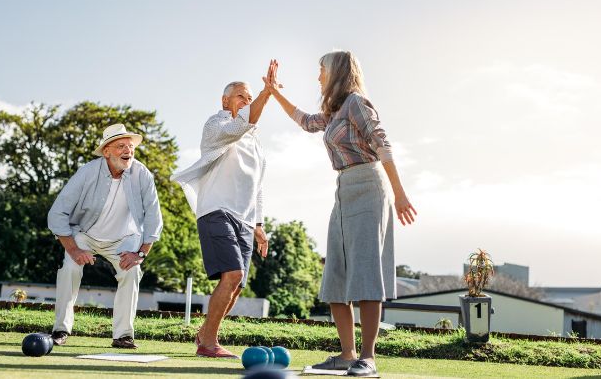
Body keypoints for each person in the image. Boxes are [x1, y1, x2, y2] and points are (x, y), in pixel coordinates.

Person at [264, 52, 417, 377]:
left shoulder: (357, 103)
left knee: (365, 271)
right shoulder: (334, 111)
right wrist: (274, 91)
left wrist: (401, 195)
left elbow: (383, 146)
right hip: (344, 188)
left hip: (369, 185)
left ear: (336, 72)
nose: (318, 76)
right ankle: (347, 354)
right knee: (335, 273)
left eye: (321, 69)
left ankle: (367, 357)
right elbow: (306, 122)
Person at [171, 62, 276, 358]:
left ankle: (205, 333)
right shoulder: (216, 126)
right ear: (225, 100)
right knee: (231, 274)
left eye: (250, 97)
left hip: (244, 219)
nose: (247, 101)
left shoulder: (257, 145)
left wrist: (259, 225)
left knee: (238, 283)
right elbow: (241, 125)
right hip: (216, 210)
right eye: (242, 96)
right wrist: (267, 94)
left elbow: (257, 186)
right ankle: (208, 344)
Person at [47, 123, 163, 349]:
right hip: (86, 234)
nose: (127, 151)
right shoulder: (87, 172)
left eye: (130, 146)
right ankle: (60, 329)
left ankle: (123, 335)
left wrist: (140, 253)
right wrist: (73, 249)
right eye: (121, 146)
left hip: (124, 238)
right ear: (106, 151)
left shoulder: (142, 174)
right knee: (70, 268)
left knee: (132, 272)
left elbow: (153, 217)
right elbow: (57, 213)